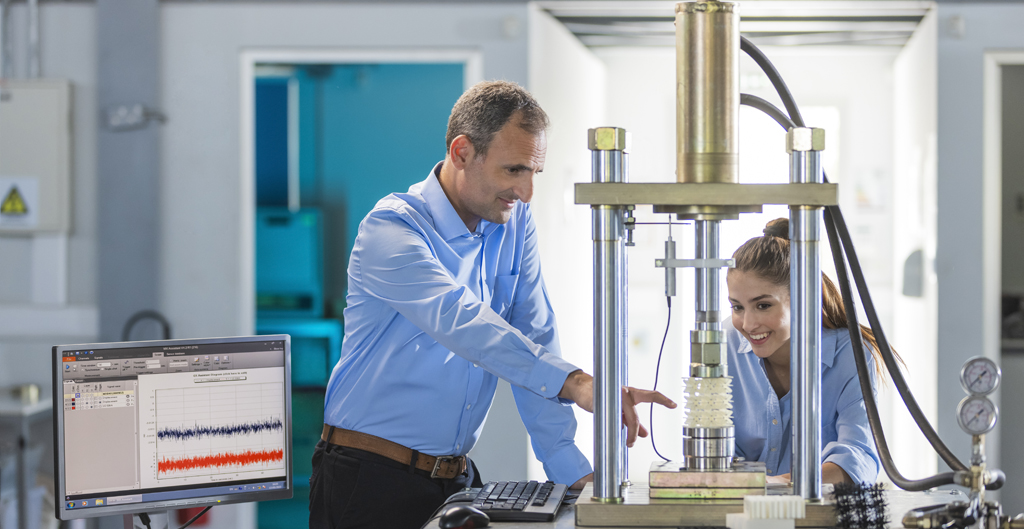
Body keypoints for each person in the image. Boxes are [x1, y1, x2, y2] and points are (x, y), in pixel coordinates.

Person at [309, 80, 675, 529]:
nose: (526, 193)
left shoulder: (514, 223)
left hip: (456, 478)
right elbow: (465, 324)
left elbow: (532, 337)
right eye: (514, 170)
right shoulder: (390, 230)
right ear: (462, 152)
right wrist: (577, 384)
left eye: (534, 173)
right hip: (366, 479)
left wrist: (575, 473)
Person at [725, 217, 887, 485]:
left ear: (804, 298)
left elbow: (858, 458)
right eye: (737, 307)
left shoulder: (851, 354)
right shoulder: (724, 343)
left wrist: (777, 486)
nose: (748, 324)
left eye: (763, 305)